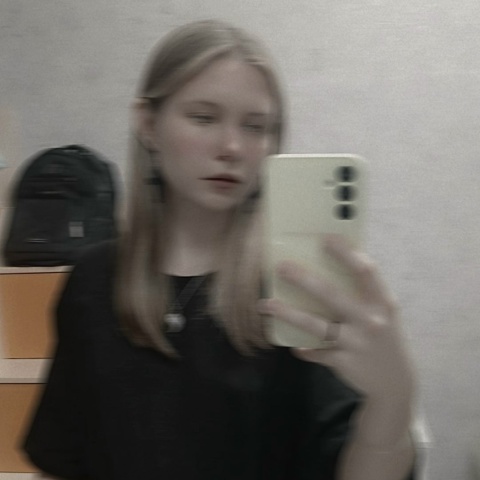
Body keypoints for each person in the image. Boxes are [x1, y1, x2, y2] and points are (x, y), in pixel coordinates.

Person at [23, 19, 417, 480]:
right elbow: (61, 461)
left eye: (255, 127)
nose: (232, 147)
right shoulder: (92, 281)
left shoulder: (295, 290)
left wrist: (393, 399)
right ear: (148, 124)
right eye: (204, 118)